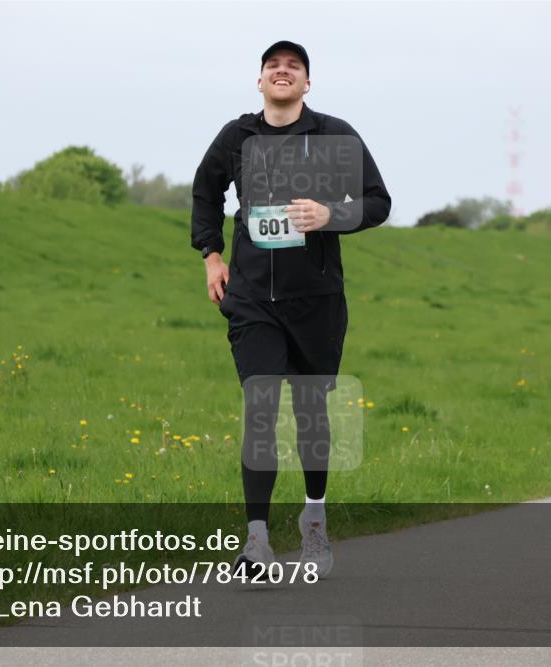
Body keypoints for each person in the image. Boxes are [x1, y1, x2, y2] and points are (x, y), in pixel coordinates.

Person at [191, 40, 392, 579]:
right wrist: (212, 257)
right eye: (273, 66)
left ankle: (314, 518)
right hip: (253, 298)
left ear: (307, 83)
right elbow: (205, 194)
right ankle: (256, 541)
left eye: (293, 67)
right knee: (260, 407)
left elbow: (378, 202)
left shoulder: (334, 135)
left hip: (316, 302)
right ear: (259, 82)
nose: (283, 72)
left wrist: (331, 213)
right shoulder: (237, 137)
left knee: (309, 414)